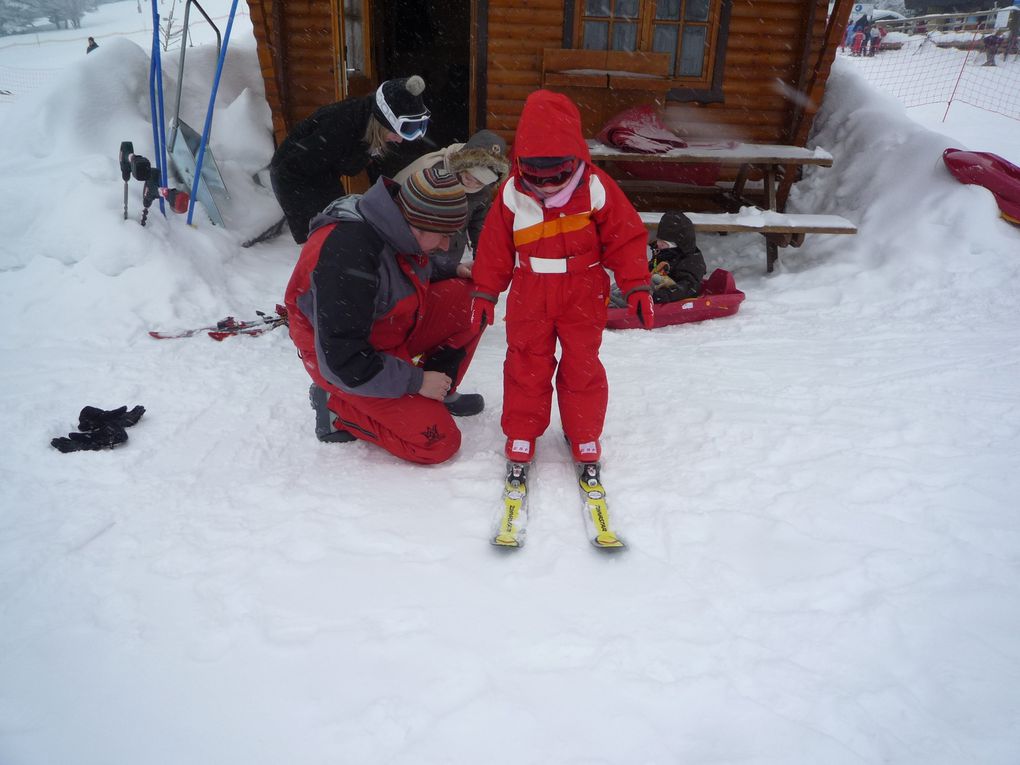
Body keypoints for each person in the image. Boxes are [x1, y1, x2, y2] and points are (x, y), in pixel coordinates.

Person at [468, 89, 653, 466]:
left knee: (581, 362)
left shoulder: (596, 187)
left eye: (557, 176)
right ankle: (522, 429)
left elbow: (626, 235)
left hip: (582, 288)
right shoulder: (511, 194)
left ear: (575, 159)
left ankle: (582, 432)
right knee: (525, 361)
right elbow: (494, 248)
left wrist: (636, 284)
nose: (548, 186)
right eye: (537, 176)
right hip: (529, 290)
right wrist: (485, 293)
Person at [284, 165, 487, 465]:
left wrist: (450, 269)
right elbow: (344, 360)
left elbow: (404, 265)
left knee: (474, 299)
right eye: (443, 236)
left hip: (385, 330)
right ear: (415, 224)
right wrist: (416, 381)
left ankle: (438, 390)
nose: (447, 245)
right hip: (343, 362)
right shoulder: (349, 254)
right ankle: (336, 405)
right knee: (438, 442)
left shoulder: (393, 222)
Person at [270, 75, 430, 244]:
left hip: (322, 175)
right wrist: (311, 229)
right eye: (400, 132)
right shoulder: (338, 127)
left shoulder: (368, 123)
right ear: (383, 122)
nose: (400, 140)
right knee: (328, 243)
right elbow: (290, 169)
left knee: (342, 236)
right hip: (295, 179)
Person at [394, 129, 509, 281]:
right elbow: (402, 220)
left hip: (450, 262)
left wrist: (482, 263)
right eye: (469, 177)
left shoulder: (484, 191)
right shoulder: (432, 174)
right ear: (462, 164)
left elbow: (480, 227)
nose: (473, 184)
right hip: (414, 257)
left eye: (480, 181)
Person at [609, 210, 707, 308]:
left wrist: (659, 296)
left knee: (640, 289)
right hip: (655, 287)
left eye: (664, 243)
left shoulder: (691, 262)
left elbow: (687, 288)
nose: (659, 245)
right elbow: (651, 269)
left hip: (665, 294)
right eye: (659, 240)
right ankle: (608, 296)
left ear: (677, 245)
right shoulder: (664, 252)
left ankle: (616, 305)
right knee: (627, 282)